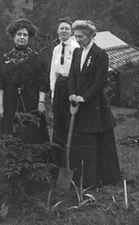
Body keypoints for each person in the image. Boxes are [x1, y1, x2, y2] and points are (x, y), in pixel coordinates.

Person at [67, 20, 121, 187]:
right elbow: (72, 76)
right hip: (78, 104)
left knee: (95, 142)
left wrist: (85, 97)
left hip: (95, 105)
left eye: (81, 36)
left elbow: (100, 82)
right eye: (75, 36)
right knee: (81, 142)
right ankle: (81, 177)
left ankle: (99, 178)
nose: (77, 39)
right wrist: (72, 94)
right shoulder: (76, 52)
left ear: (91, 36)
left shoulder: (100, 54)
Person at [0, 19, 50, 143]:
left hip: (31, 99)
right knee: (11, 131)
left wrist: (41, 102)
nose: (22, 37)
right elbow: (0, 84)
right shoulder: (5, 58)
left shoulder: (36, 58)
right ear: (13, 36)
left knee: (31, 129)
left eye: (25, 35)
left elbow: (43, 82)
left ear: (29, 37)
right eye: (19, 34)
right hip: (10, 100)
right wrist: (0, 106)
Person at [50, 17, 79, 167]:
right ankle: (57, 157)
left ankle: (69, 159)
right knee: (58, 121)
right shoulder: (56, 49)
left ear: (71, 31)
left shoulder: (75, 48)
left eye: (67, 28)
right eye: (61, 28)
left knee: (69, 120)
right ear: (57, 31)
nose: (64, 31)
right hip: (59, 85)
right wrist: (53, 92)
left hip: (70, 85)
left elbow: (76, 72)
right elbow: (52, 72)